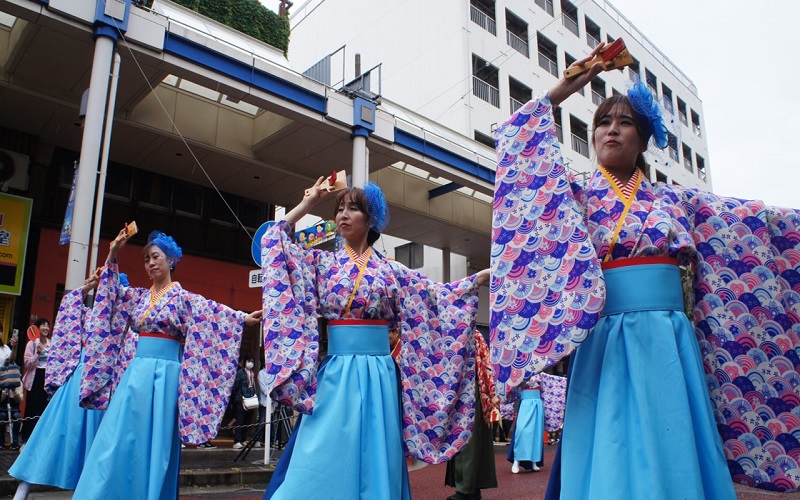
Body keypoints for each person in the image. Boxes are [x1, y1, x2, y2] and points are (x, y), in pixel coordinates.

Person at [488, 41, 781, 498]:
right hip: (603, 329)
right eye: (603, 122)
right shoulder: (575, 195)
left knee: (669, 428)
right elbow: (517, 148)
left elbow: (749, 223)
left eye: (624, 123)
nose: (610, 131)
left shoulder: (674, 200)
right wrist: (563, 89)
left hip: (666, 331)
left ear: (642, 138)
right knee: (612, 430)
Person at [262, 180, 490, 499]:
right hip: (337, 373)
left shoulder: (391, 271)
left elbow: (435, 297)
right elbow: (274, 243)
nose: (343, 215)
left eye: (352, 208)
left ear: (370, 219)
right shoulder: (323, 267)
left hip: (381, 373)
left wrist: (478, 279)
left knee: (376, 451)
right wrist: (308, 204)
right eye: (339, 209)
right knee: (323, 448)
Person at [72, 229, 262, 499]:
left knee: (157, 442)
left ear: (171, 260)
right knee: (116, 436)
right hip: (136, 373)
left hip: (166, 374)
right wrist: (114, 252)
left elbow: (213, 311)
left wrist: (242, 318)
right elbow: (110, 293)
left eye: (156, 257)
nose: (150, 263)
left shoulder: (184, 298)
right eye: (146, 259)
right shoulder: (137, 297)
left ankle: (151, 492)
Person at [10, 269, 106, 499]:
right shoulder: (89, 314)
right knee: (52, 430)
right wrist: (86, 288)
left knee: (93, 442)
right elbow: (70, 304)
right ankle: (23, 487)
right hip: (81, 377)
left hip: (101, 382)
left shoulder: (117, 318)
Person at [444, 331, 499, 500]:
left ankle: (466, 488)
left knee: (467, 439)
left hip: (468, 389)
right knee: (474, 439)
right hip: (467, 388)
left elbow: (485, 363)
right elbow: (487, 364)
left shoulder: (468, 334)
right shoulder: (469, 334)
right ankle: (472, 487)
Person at [20, 318, 51, 441]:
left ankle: (40, 438)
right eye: (43, 325)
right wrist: (37, 353)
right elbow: (27, 364)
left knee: (44, 408)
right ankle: (26, 437)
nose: (46, 328)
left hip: (46, 379)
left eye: (48, 326)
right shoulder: (32, 343)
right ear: (37, 328)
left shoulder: (51, 344)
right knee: (31, 408)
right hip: (35, 379)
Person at [232, 356, 258, 449]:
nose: (250, 363)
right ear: (244, 362)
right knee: (240, 420)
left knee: (247, 421)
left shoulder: (252, 373)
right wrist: (239, 396)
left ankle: (243, 439)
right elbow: (236, 385)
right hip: (241, 400)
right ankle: (237, 441)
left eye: (252, 361)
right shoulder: (240, 373)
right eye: (249, 361)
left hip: (250, 399)